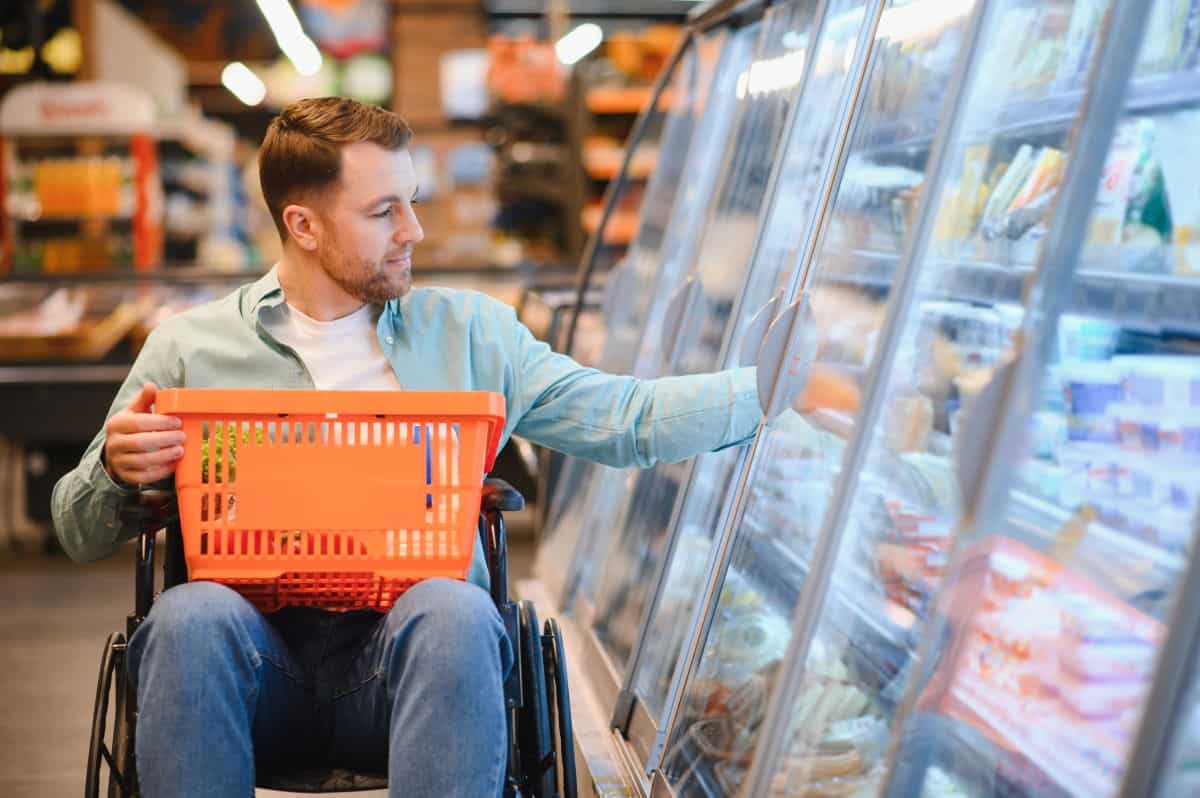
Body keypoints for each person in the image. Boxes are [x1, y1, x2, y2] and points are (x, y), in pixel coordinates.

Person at [51, 97, 764, 798]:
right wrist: (115, 471)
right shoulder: (190, 348)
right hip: (249, 672)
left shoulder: (472, 335)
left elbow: (625, 418)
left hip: (409, 674)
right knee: (187, 617)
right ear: (302, 224)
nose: (414, 230)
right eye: (383, 211)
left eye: (411, 202)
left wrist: (761, 394)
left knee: (453, 611)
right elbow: (76, 530)